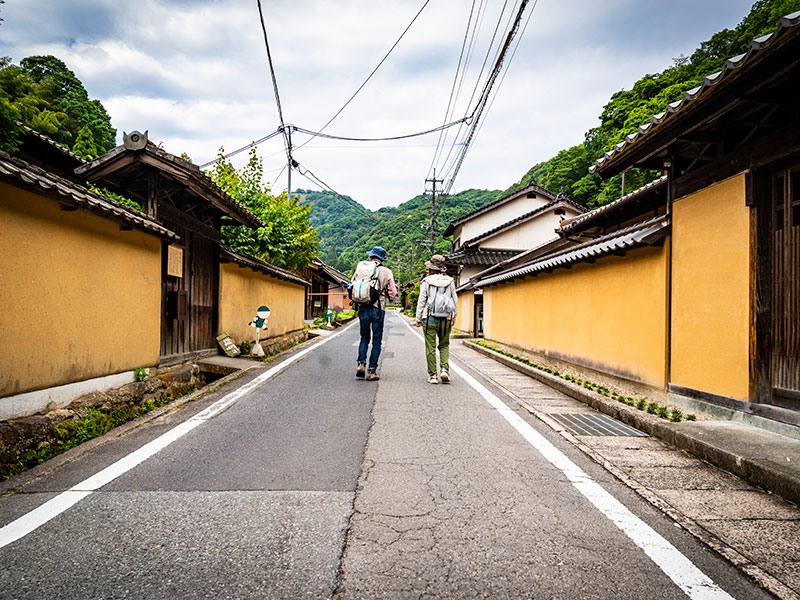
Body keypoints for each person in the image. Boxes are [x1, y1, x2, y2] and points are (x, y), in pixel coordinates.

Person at [352, 246, 397, 381]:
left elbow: (352, 284)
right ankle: (371, 371)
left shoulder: (361, 269)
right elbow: (393, 293)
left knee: (364, 337)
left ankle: (361, 363)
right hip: (378, 309)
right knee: (377, 340)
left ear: (371, 257)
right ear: (382, 259)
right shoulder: (386, 271)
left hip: (363, 307)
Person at [415, 254, 458, 384]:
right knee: (444, 345)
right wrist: (454, 316)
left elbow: (422, 301)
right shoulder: (450, 281)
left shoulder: (426, 282)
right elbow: (454, 300)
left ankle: (433, 376)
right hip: (446, 318)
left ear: (431, 268)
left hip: (429, 318)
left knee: (430, 347)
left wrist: (418, 318)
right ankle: (445, 370)